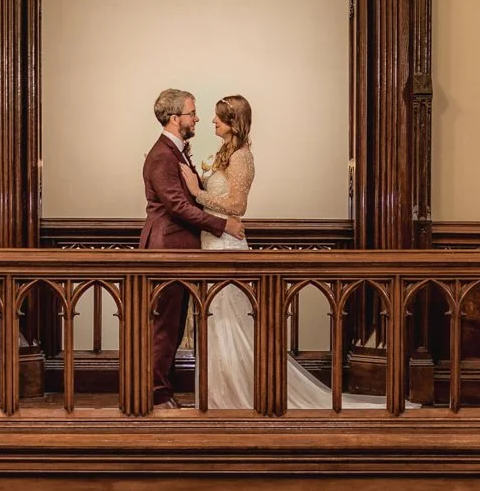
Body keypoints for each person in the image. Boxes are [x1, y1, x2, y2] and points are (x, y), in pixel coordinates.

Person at [179, 95, 375, 412]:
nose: (212, 122)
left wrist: (196, 191)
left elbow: (238, 207)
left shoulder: (242, 156)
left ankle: (239, 398)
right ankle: (218, 395)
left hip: (226, 245)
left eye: (218, 118)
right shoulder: (223, 154)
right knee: (214, 323)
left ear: (233, 123)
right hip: (210, 242)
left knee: (231, 323)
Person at [139, 87, 242, 412]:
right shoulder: (162, 155)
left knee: (173, 323)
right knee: (164, 326)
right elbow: (178, 206)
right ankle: (154, 394)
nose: (197, 117)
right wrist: (223, 225)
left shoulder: (177, 151)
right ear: (174, 118)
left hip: (181, 249)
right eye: (192, 112)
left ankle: (162, 389)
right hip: (168, 249)